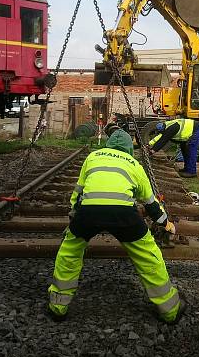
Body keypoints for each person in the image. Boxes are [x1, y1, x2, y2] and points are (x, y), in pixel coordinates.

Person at [47, 129, 184, 323]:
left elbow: (78, 193)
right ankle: (170, 311)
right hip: (123, 215)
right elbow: (151, 203)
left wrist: (74, 219)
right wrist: (165, 223)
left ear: (108, 145)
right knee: (149, 257)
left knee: (69, 253)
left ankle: (58, 306)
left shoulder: (92, 157)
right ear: (129, 149)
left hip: (88, 213)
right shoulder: (134, 164)